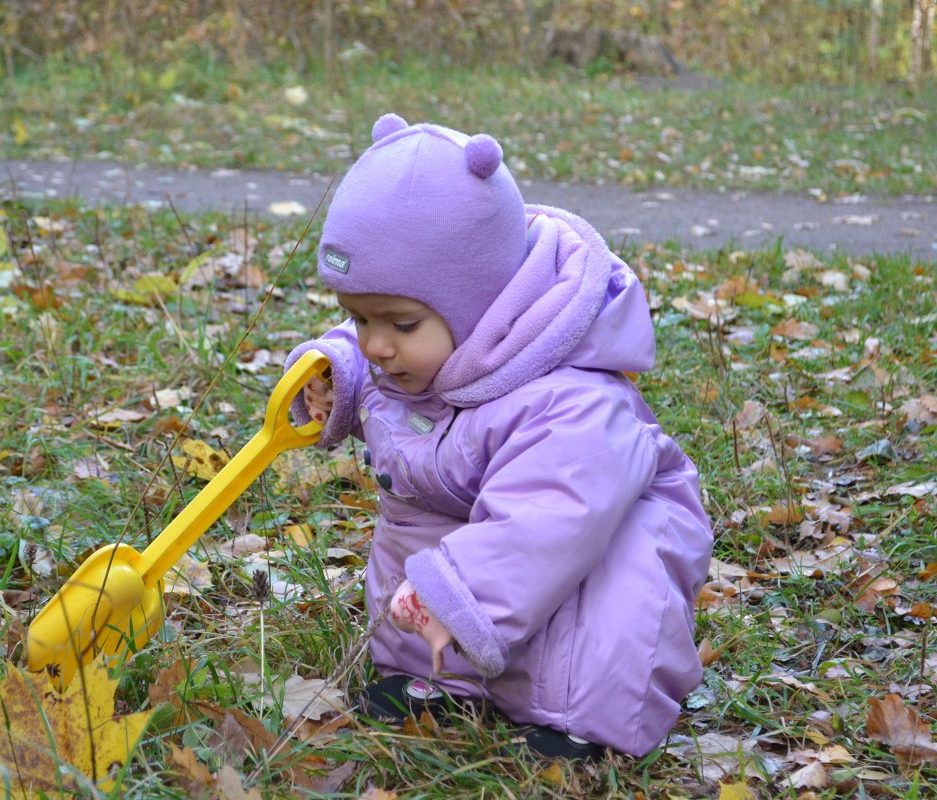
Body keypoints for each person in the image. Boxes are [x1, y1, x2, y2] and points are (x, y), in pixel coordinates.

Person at [284, 113, 713, 759]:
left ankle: (578, 718)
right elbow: (367, 345)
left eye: (399, 323)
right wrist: (335, 375)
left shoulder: (570, 402)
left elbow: (548, 518)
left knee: (609, 597)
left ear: (483, 305)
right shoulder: (417, 346)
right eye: (357, 316)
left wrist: (456, 598)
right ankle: (433, 677)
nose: (375, 343)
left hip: (581, 532)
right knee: (418, 527)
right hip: (464, 508)